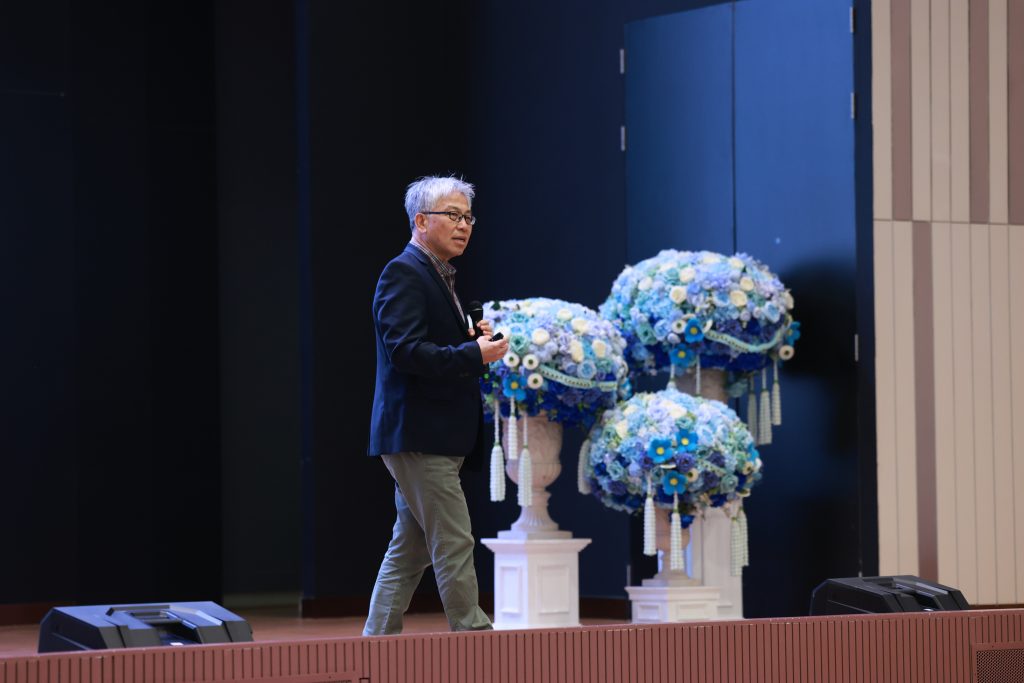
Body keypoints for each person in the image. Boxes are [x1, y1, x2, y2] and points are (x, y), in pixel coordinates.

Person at [363, 175, 509, 635]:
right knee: (454, 541)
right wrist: (472, 355)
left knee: (410, 550)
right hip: (419, 433)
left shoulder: (438, 273)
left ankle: (374, 645)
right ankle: (476, 640)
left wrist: (471, 343)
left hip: (434, 434)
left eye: (468, 218)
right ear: (421, 221)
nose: (464, 225)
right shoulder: (404, 272)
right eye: (453, 215)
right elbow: (404, 352)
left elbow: (430, 347)